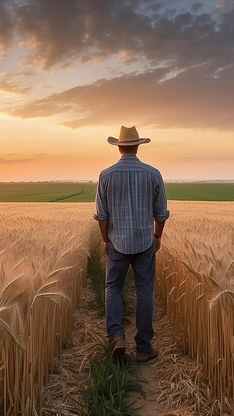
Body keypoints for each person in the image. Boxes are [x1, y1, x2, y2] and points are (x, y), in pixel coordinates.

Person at [93, 125, 170, 363]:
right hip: (145, 242)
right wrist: (157, 237)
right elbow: (161, 213)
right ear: (137, 146)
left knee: (113, 288)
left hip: (118, 242)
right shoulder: (153, 174)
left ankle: (116, 336)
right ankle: (144, 348)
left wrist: (106, 240)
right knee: (144, 290)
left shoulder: (106, 175)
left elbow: (102, 215)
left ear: (119, 147)